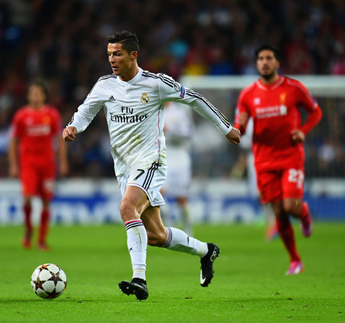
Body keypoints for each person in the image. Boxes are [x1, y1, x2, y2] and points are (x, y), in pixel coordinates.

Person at [63, 31, 241, 300]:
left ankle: (140, 279)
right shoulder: (104, 85)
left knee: (126, 207)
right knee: (156, 235)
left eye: (117, 54)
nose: (111, 59)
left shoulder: (155, 84)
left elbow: (195, 99)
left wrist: (226, 128)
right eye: (109, 54)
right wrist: (74, 126)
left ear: (133, 55)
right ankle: (206, 251)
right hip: (124, 167)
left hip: (150, 161)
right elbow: (86, 109)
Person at [234, 44, 323, 275]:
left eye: (269, 58)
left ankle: (303, 213)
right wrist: (241, 125)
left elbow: (315, 111)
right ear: (257, 63)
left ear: (277, 62)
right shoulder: (248, 95)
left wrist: (303, 130)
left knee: (290, 207)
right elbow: (238, 130)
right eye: (261, 58)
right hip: (263, 161)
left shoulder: (293, 88)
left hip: (291, 156)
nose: (264, 62)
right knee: (279, 213)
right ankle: (295, 260)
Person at [8, 81, 68, 251]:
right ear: (28, 96)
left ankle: (42, 240)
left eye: (38, 93)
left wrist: (62, 162)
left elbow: (60, 139)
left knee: (45, 201)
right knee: (27, 197)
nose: (35, 96)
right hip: (28, 163)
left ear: (43, 96)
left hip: (47, 163)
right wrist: (13, 164)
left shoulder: (52, 114)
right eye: (32, 93)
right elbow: (13, 141)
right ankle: (28, 229)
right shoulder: (21, 116)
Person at [160, 102, 195, 236]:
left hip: (180, 157)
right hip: (162, 156)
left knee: (181, 198)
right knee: (158, 194)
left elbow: (188, 133)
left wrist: (170, 131)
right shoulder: (154, 109)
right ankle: (170, 230)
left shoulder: (179, 112)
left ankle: (188, 230)